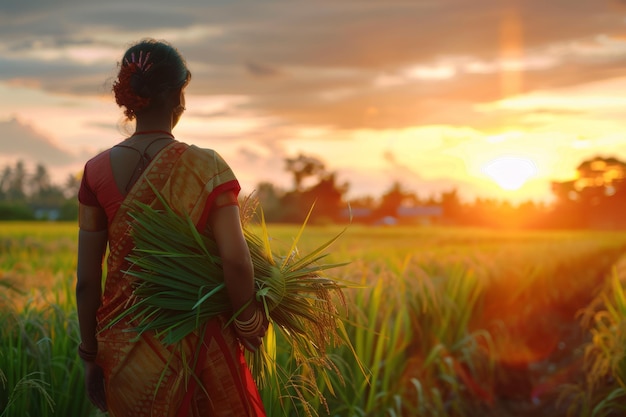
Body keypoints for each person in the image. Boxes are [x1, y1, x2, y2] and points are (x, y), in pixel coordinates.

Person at [76, 39, 268, 417]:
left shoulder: (95, 171)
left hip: (122, 349)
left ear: (130, 99)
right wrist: (248, 321)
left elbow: (86, 281)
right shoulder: (206, 167)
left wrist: (89, 355)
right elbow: (236, 261)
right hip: (196, 344)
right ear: (178, 98)